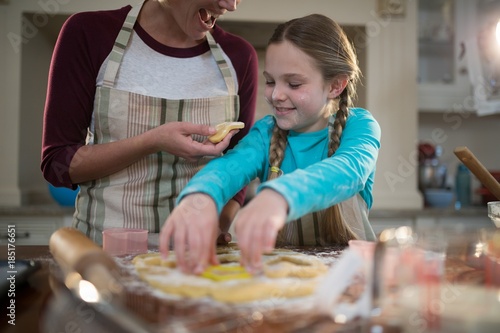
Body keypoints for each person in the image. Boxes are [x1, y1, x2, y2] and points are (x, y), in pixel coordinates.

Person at [160, 14, 381, 275]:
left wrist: (280, 196)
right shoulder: (266, 133)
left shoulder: (359, 126)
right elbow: (228, 167)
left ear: (335, 85)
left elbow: (348, 171)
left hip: (347, 284)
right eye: (270, 81)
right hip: (281, 285)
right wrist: (200, 195)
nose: (276, 95)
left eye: (294, 83)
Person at [41, 0, 258, 245]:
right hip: (104, 257)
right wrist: (150, 142)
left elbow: (241, 164)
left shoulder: (240, 56)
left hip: (197, 259)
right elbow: (58, 164)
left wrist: (218, 225)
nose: (230, 5)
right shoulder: (89, 33)